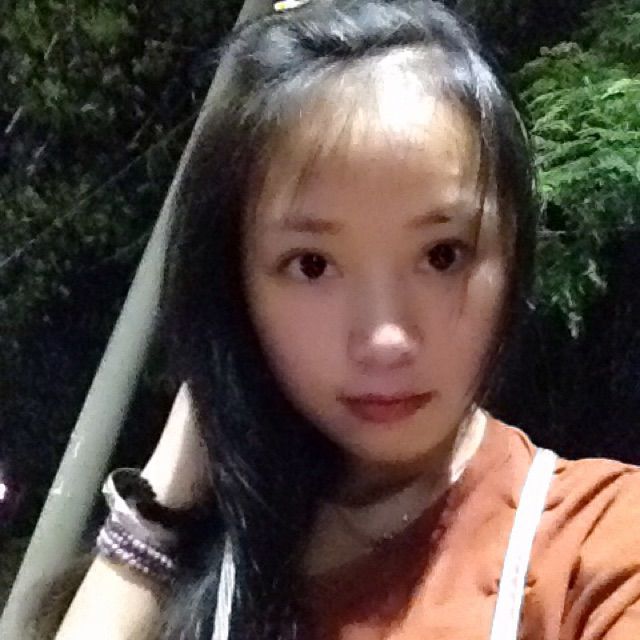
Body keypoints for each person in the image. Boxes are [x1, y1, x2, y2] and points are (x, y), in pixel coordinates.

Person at [51, 0, 640, 638]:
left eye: (443, 255)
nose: (385, 340)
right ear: (233, 284)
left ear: (514, 254)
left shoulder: (591, 548)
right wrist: (162, 508)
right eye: (312, 265)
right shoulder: (205, 556)